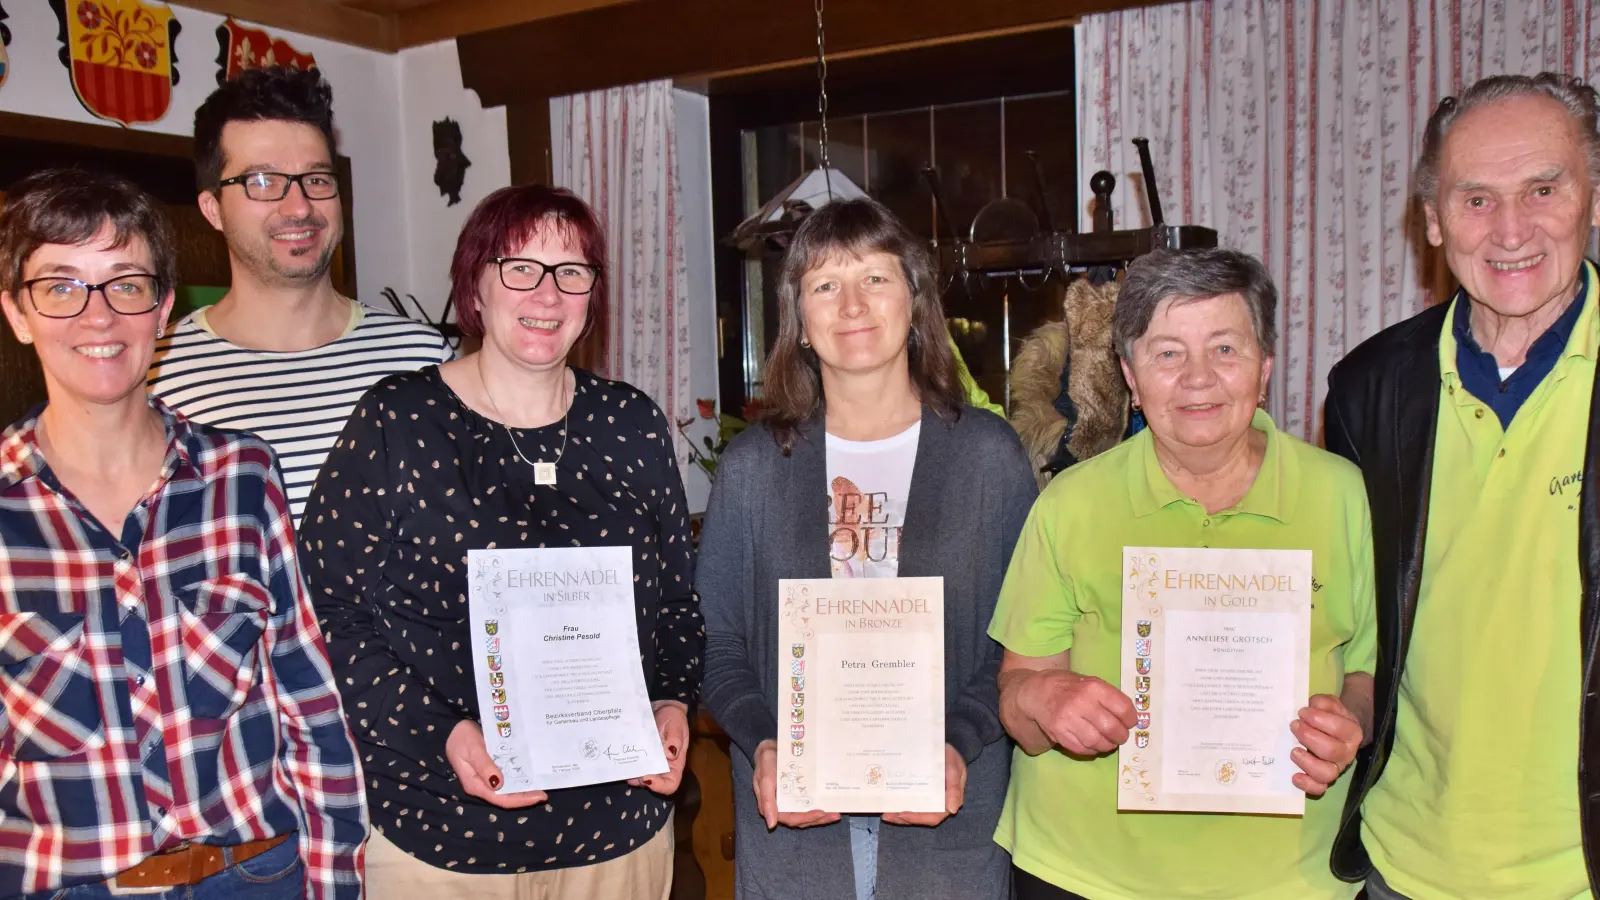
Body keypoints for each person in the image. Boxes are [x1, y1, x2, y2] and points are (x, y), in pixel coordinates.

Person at [297, 184, 700, 898]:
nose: (547, 294)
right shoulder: (400, 422)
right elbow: (328, 617)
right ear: (475, 284)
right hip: (441, 837)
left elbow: (674, 604)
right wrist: (441, 734)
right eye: (520, 267)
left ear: (591, 294)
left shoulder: (631, 426)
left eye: (571, 272)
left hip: (617, 833)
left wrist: (670, 703)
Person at [0, 169, 366, 899]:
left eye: (125, 284)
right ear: (16, 312)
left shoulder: (242, 477)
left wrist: (335, 885)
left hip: (254, 873)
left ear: (163, 308)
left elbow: (308, 702)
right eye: (61, 286)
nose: (97, 317)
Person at [990, 248, 1377, 900]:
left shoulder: (1345, 497)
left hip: (1290, 881)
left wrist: (1351, 723)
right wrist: (1045, 700)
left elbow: (1368, 669)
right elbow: (1016, 696)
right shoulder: (1070, 503)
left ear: (1265, 368)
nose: (1198, 378)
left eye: (1225, 349)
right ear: (1129, 377)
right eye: (1168, 353)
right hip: (1085, 875)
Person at [696, 197, 1037, 900]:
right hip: (795, 830)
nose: (852, 303)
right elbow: (716, 639)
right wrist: (764, 742)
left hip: (947, 818)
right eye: (825, 284)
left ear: (914, 298)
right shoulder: (755, 466)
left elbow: (1021, 638)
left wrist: (958, 741)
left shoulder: (986, 455)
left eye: (875, 278)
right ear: (800, 315)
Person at [1325, 73, 1600, 900]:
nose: (1511, 229)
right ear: (1434, 221)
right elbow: (1350, 618)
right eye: (1475, 199)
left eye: (1543, 190)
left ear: (1591, 196)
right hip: (1403, 868)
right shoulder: (1369, 388)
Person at [148, 65, 452, 526]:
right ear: (213, 209)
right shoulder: (154, 374)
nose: (300, 207)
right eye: (264, 181)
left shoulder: (424, 358)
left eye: (316, 179)